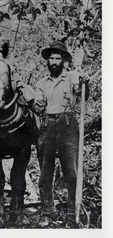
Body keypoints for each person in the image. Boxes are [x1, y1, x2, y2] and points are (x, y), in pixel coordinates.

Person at [22, 41, 89, 223]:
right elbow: (38, 108)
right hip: (47, 126)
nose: (53, 61)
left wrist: (85, 85)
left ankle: (71, 210)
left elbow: (83, 96)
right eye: (51, 57)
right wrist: (27, 99)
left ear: (64, 61)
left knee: (71, 172)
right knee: (45, 172)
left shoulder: (73, 78)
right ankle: (47, 209)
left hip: (68, 125)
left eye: (57, 58)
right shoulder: (42, 83)